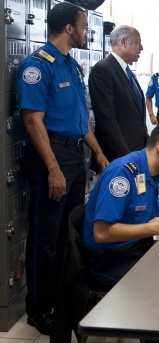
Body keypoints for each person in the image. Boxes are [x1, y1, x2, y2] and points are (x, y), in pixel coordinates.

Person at [17, 2, 108, 335]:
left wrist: (98, 153)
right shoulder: (37, 66)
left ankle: (62, 297)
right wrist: (54, 170)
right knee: (46, 237)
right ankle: (39, 308)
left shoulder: (71, 66)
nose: (88, 32)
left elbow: (81, 121)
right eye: (84, 26)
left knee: (69, 234)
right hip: (50, 157)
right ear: (69, 28)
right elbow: (32, 120)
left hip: (74, 156)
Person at [82, 120, 159, 292]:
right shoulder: (123, 173)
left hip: (140, 248)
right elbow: (101, 232)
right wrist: (155, 227)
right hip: (109, 258)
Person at [88, 24, 149, 172]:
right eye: (138, 43)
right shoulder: (103, 70)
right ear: (123, 42)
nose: (141, 48)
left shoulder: (127, 71)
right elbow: (107, 120)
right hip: (117, 159)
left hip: (135, 154)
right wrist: (125, 158)